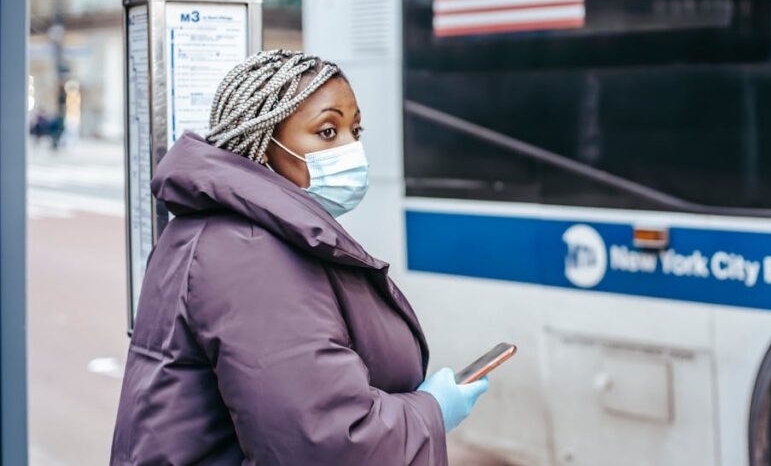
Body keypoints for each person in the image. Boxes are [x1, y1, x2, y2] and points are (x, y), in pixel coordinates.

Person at [110, 49, 489, 465]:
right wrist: (430, 411)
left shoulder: (235, 232)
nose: (351, 150)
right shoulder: (249, 252)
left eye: (355, 131)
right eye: (327, 132)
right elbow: (321, 444)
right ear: (261, 143)